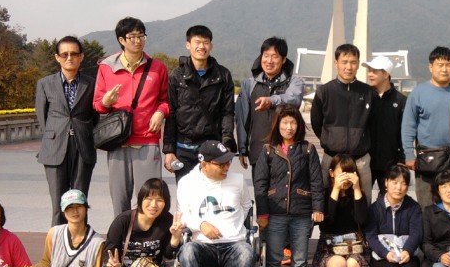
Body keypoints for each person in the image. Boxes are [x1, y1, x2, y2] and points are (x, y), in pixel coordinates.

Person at [253, 105, 324, 267]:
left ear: (299, 125)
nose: (289, 127)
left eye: (293, 122)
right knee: (273, 261)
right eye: (284, 122)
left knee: (300, 262)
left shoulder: (308, 149)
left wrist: (318, 208)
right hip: (275, 213)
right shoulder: (268, 150)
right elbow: (260, 184)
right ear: (277, 125)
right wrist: (262, 213)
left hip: (301, 213)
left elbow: (316, 182)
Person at [175, 140, 256, 267]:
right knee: (187, 251)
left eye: (228, 162)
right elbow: (182, 215)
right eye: (221, 164)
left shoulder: (238, 180)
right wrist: (200, 224)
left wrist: (233, 226)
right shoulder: (187, 183)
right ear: (204, 165)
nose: (226, 167)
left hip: (234, 245)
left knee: (247, 252)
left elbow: (246, 207)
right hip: (202, 246)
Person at [94, 17, 170, 215]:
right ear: (121, 40)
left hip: (147, 140)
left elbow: (166, 100)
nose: (138, 41)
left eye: (141, 36)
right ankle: (122, 234)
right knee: (120, 201)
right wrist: (106, 102)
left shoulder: (157, 68)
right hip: (117, 142)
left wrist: (161, 112)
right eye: (133, 36)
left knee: (150, 200)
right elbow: (98, 105)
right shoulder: (106, 67)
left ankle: (149, 235)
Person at [402, 46, 450, 208]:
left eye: (449, 65)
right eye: (440, 65)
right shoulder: (418, 93)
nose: (444, 69)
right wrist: (409, 153)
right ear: (431, 67)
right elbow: (408, 126)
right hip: (428, 160)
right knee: (427, 208)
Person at [36, 36, 97, 226]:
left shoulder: (91, 83)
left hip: (83, 146)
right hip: (55, 148)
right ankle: (57, 241)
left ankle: (81, 240)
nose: (69, 58)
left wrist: (84, 132)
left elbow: (95, 116)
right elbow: (42, 117)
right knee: (58, 203)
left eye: (74, 54)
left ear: (81, 57)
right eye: (65, 54)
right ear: (57, 57)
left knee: (80, 200)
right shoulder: (45, 84)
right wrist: (55, 136)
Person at [163, 25, 236, 182]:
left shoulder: (223, 75)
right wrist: (169, 150)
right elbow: (171, 113)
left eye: (206, 42)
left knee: (213, 192)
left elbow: (227, 112)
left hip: (212, 148)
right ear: (188, 45)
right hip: (183, 149)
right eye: (197, 42)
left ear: (211, 46)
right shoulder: (177, 76)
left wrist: (227, 143)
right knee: (185, 192)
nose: (202, 46)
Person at [364, 163, 426, 267]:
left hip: (407, 252)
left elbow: (417, 233)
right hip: (383, 254)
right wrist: (385, 253)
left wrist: (408, 250)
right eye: (394, 182)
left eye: (403, 183)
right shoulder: (375, 209)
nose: (399, 187)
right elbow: (371, 236)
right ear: (386, 183)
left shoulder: (413, 207)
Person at [310, 44, 375, 201]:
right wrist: (331, 140)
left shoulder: (368, 92)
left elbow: (374, 125)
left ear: (358, 64)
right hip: (331, 158)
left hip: (360, 160)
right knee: (327, 201)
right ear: (336, 63)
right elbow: (316, 123)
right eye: (344, 62)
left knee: (363, 203)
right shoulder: (324, 92)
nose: (349, 67)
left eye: (353, 62)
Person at [312, 154, 371, 267]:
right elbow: (326, 224)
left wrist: (357, 188)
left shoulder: (357, 195)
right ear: (331, 173)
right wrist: (336, 190)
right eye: (341, 173)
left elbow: (362, 220)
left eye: (349, 173)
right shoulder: (324, 194)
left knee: (353, 263)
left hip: (355, 245)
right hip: (329, 246)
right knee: (338, 263)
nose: (345, 178)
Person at [237, 37, 304, 170]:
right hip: (258, 152)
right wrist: (242, 149)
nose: (269, 60)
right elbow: (242, 118)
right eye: (266, 55)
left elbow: (293, 99)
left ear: (283, 59)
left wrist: (271, 101)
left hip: (287, 153)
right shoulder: (249, 84)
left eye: (274, 56)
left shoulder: (294, 82)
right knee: (260, 184)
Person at [365, 55, 407, 196]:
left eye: (374, 71)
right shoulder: (364, 97)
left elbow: (405, 133)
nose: (370, 74)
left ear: (386, 74)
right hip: (366, 161)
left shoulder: (401, 101)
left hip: (391, 163)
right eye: (369, 70)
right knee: (361, 201)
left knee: (389, 201)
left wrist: (402, 159)